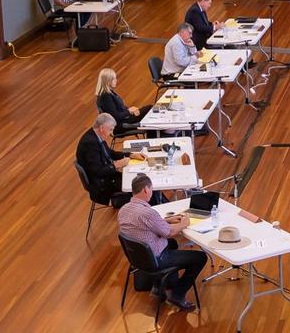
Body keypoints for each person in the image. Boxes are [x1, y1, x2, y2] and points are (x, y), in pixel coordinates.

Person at [117, 173, 207, 311]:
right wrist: (184, 223)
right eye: (151, 189)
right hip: (156, 259)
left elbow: (144, 225)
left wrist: (166, 221)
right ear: (146, 190)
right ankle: (178, 295)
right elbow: (169, 232)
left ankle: (158, 287)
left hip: (137, 258)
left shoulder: (124, 210)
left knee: (172, 243)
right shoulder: (148, 213)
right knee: (200, 257)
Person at [75, 112, 143, 208]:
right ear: (102, 128)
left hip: (107, 176)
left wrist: (131, 155)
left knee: (140, 180)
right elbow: (97, 171)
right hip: (101, 184)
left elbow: (110, 153)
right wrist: (116, 165)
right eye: (110, 130)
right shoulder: (90, 144)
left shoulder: (95, 135)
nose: (112, 133)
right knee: (140, 186)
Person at [95, 68, 147, 134]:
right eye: (114, 79)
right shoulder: (105, 97)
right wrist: (129, 111)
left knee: (148, 110)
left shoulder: (108, 93)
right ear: (108, 81)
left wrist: (130, 110)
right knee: (149, 110)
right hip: (121, 125)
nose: (116, 80)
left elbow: (120, 108)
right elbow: (115, 116)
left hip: (124, 119)